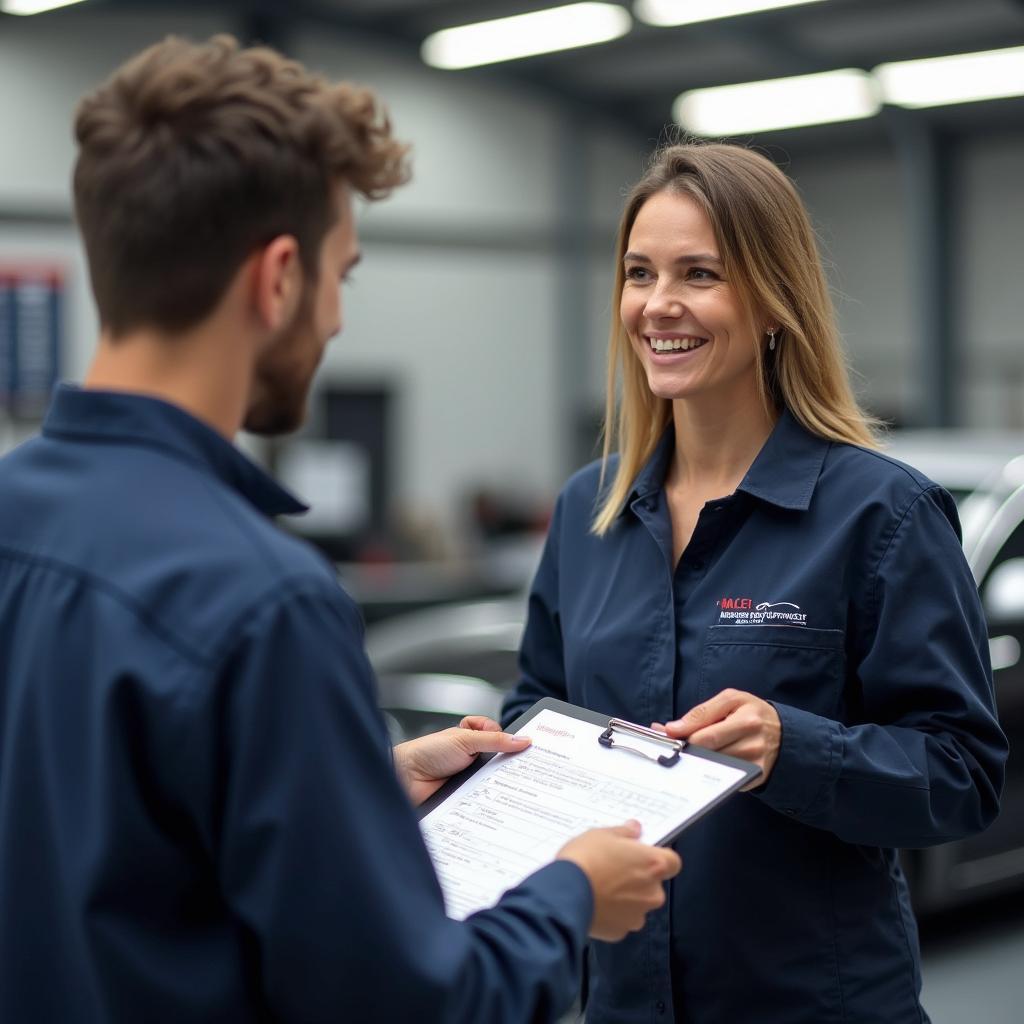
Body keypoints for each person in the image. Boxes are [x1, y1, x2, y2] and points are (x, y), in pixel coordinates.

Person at [0, 36, 682, 1024]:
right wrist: (569, 892)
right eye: (341, 276)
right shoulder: (258, 599)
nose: (332, 320)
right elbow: (409, 1001)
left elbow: (112, 836)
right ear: (277, 277)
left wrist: (361, 784)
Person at [502, 142, 1008, 1024]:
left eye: (700, 274)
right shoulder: (590, 511)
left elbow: (961, 772)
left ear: (774, 299)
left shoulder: (881, 514)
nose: (659, 305)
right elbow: (535, 706)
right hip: (623, 1004)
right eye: (639, 273)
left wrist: (793, 747)